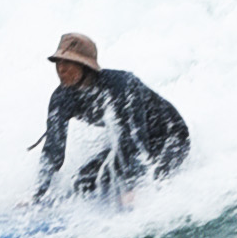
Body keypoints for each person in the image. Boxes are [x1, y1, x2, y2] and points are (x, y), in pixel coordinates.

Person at [35, 32, 190, 205]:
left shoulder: (122, 86)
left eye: (68, 62)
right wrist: (38, 195)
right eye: (58, 62)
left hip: (172, 138)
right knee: (82, 183)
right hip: (131, 143)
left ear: (85, 66)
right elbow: (53, 151)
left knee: (147, 185)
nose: (61, 69)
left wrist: (132, 186)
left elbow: (135, 136)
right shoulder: (61, 98)